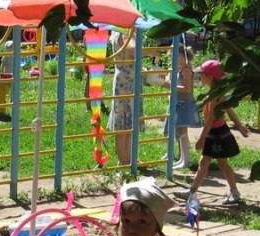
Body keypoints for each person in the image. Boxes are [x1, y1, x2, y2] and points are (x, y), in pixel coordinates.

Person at [174, 60, 250, 204]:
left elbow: (210, 120)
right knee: (207, 163)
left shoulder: (214, 96)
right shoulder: (216, 92)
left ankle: (233, 192)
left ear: (210, 77)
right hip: (216, 131)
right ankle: (193, 191)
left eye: (201, 75)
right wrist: (239, 126)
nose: (199, 77)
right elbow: (229, 109)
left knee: (219, 164)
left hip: (217, 133)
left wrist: (202, 138)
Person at [107, 31, 159, 166]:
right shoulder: (125, 32)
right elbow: (132, 50)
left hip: (128, 79)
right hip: (126, 82)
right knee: (123, 121)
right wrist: (151, 51)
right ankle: (123, 160)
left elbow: (129, 56)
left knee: (129, 121)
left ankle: (129, 158)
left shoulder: (122, 32)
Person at [161, 44, 202, 169]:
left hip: (184, 103)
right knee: (176, 130)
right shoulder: (178, 69)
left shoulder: (186, 70)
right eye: (172, 57)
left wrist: (169, 85)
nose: (174, 59)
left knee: (182, 131)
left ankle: (186, 160)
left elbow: (187, 89)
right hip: (177, 102)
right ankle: (180, 157)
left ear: (184, 56)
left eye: (177, 56)